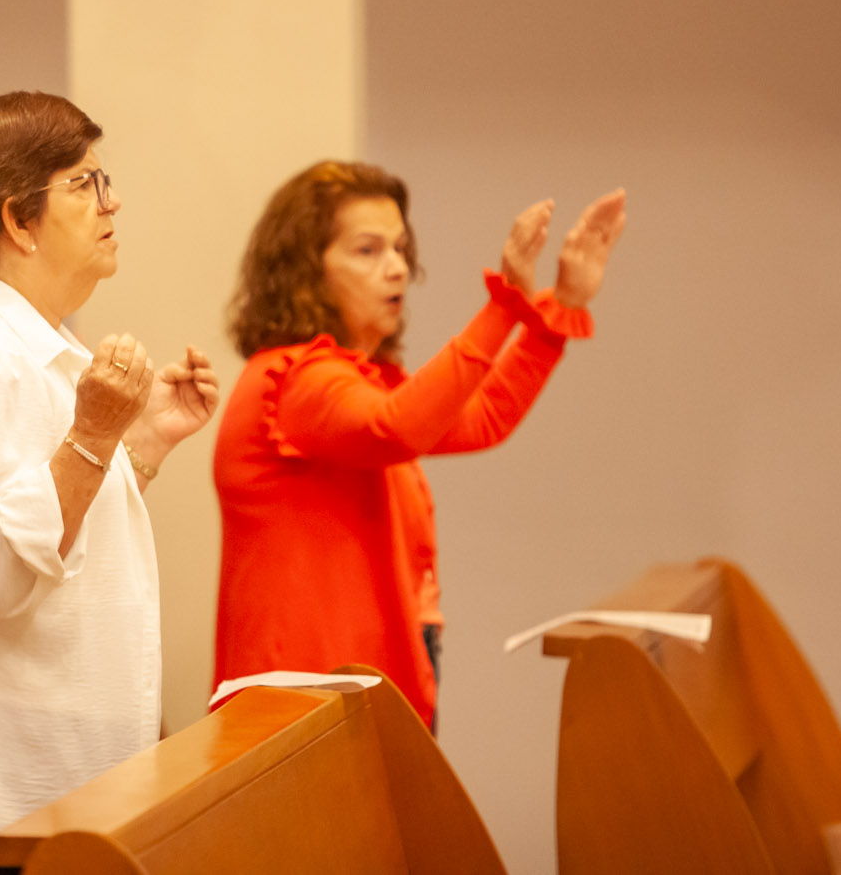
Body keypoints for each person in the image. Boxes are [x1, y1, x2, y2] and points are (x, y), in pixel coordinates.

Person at [0, 91, 221, 875]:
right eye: (85, 183)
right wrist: (93, 432)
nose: (111, 200)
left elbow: (56, 546)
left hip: (53, 781)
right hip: (7, 799)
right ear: (18, 221)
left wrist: (141, 442)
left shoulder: (28, 346)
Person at [213, 160, 626, 731]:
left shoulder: (353, 379)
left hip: (352, 688)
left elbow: (480, 418)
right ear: (304, 270)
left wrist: (563, 307)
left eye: (400, 249)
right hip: (305, 706)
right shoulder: (293, 382)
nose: (398, 269)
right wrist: (504, 304)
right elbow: (398, 426)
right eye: (368, 250)